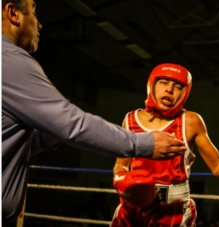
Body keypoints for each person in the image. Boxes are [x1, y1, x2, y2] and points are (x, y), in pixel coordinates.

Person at [2, 0, 187, 225]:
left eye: (177, 86)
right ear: (13, 13)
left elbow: (11, 138)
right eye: (33, 11)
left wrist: (52, 127)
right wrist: (142, 144)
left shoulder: (191, 121)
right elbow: (74, 124)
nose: (39, 24)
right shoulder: (9, 60)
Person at [109, 63, 219, 227]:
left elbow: (217, 166)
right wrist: (122, 181)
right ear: (152, 85)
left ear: (184, 93)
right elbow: (121, 165)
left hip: (172, 208)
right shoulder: (130, 119)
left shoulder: (190, 121)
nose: (170, 90)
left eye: (177, 87)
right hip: (132, 205)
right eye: (163, 82)